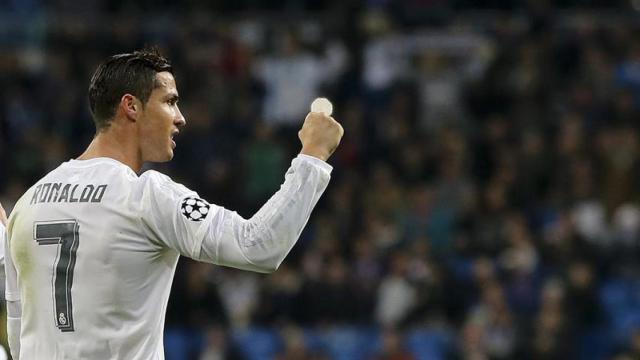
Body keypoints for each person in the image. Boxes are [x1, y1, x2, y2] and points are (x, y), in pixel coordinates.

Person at [3, 48, 343, 359]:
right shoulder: (145, 196)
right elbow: (258, 246)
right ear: (131, 106)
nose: (180, 117)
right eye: (170, 101)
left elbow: (18, 340)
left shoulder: (28, 203)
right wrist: (313, 156)